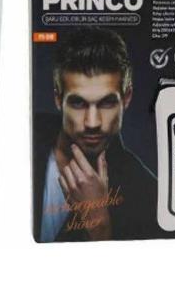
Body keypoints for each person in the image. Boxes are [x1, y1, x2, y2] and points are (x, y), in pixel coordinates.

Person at [33, 28, 157, 242]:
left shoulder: (148, 193)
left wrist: (99, 225)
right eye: (78, 103)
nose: (92, 123)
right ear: (58, 99)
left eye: (107, 103)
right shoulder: (24, 137)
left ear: (126, 98)